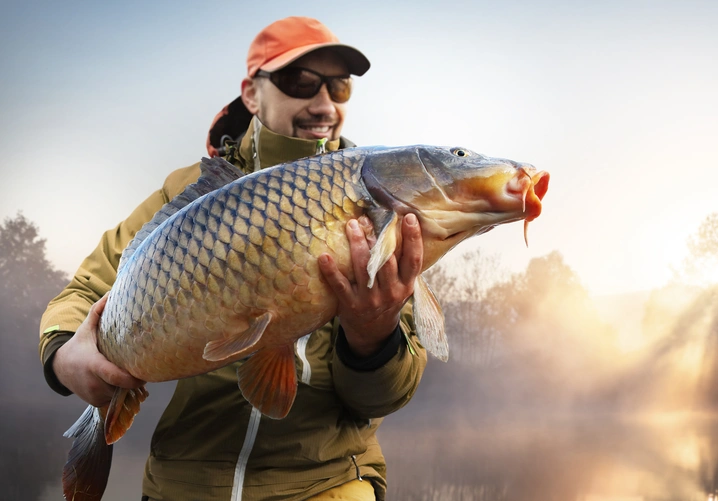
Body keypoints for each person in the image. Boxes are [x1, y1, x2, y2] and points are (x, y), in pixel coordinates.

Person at [38, 16, 427, 501]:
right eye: (300, 82)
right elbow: (83, 292)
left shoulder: (382, 204)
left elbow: (382, 397)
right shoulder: (187, 192)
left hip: (330, 483)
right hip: (184, 484)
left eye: (339, 85)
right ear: (251, 94)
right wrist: (63, 356)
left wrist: (373, 337)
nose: (324, 104)